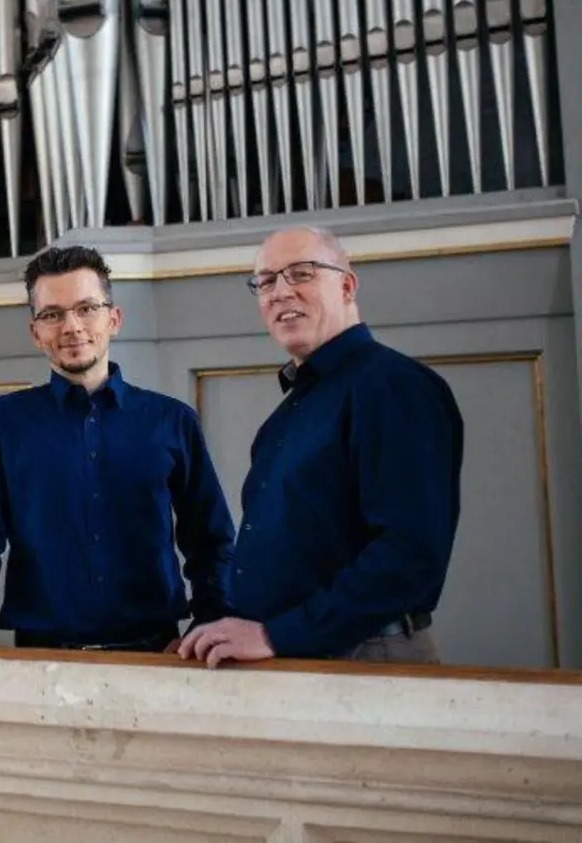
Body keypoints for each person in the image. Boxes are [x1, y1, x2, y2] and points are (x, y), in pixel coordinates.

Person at [176, 225, 464, 667]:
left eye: (302, 273)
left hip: (366, 653)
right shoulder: (287, 415)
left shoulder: (393, 387)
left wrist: (277, 634)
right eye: (266, 281)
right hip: (296, 650)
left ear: (347, 285)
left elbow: (409, 555)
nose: (280, 291)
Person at [0, 245, 235, 650]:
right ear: (36, 332)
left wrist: (212, 627)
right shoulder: (1, 424)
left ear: (114, 319)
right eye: (52, 314)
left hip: (155, 652)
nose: (71, 326)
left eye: (86, 308)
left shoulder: (172, 421)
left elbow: (210, 540)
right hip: (42, 655)